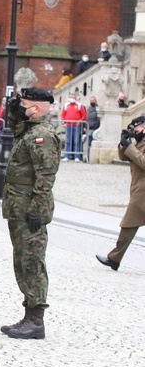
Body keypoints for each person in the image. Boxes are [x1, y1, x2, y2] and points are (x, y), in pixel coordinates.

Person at [1, 88, 60, 339]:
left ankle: (36, 320)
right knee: (22, 260)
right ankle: (28, 315)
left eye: (24, 104)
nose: (21, 107)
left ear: (35, 108)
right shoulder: (30, 130)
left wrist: (37, 209)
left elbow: (45, 177)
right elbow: (15, 130)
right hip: (18, 205)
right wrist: (13, 111)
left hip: (29, 208)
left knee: (32, 261)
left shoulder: (43, 135)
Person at [96, 116, 145, 272]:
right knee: (129, 225)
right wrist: (123, 143)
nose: (134, 130)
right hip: (138, 189)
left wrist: (130, 147)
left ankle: (114, 258)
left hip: (142, 192)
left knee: (128, 224)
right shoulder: (140, 141)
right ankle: (114, 258)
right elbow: (124, 157)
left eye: (136, 127)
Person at [60, 92, 86, 161]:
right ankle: (66, 155)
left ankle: (76, 156)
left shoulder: (79, 105)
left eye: (73, 97)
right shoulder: (66, 105)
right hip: (68, 125)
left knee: (76, 141)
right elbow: (63, 115)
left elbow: (83, 115)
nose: (72, 99)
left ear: (75, 98)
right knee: (68, 141)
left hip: (76, 126)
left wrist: (80, 121)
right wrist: (64, 122)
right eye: (70, 97)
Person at [85, 96, 100, 161]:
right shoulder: (88, 109)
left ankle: (91, 157)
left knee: (92, 143)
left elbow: (98, 119)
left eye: (93, 100)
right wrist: (85, 126)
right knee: (88, 143)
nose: (92, 102)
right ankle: (88, 157)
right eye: (91, 100)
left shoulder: (97, 109)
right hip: (88, 128)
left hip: (94, 128)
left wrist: (95, 127)